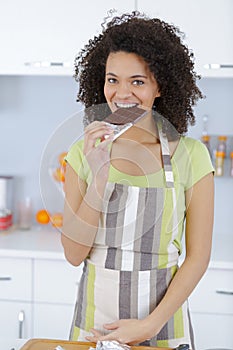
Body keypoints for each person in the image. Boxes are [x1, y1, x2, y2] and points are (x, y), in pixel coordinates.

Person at [61, 11, 214, 349]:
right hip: (95, 328)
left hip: (162, 327)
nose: (122, 93)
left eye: (138, 81)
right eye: (112, 79)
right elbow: (74, 254)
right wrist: (99, 174)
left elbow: (198, 257)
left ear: (161, 86)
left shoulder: (190, 155)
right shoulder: (82, 152)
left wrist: (148, 326)